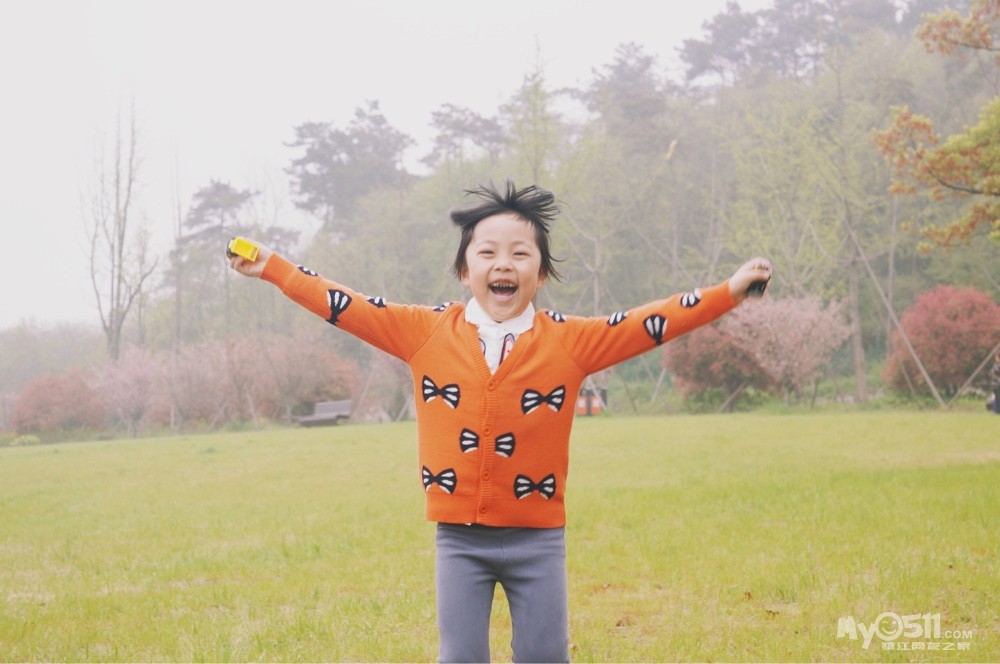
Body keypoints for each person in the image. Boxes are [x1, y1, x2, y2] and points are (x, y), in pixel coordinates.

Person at [228, 180, 773, 662]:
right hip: (459, 541)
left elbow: (648, 323)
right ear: (466, 270)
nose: (503, 264)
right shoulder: (424, 332)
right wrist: (274, 267)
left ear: (542, 272)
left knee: (544, 656)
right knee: (460, 657)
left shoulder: (571, 341)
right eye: (487, 252)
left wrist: (727, 292)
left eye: (520, 253)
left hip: (539, 540)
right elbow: (344, 305)